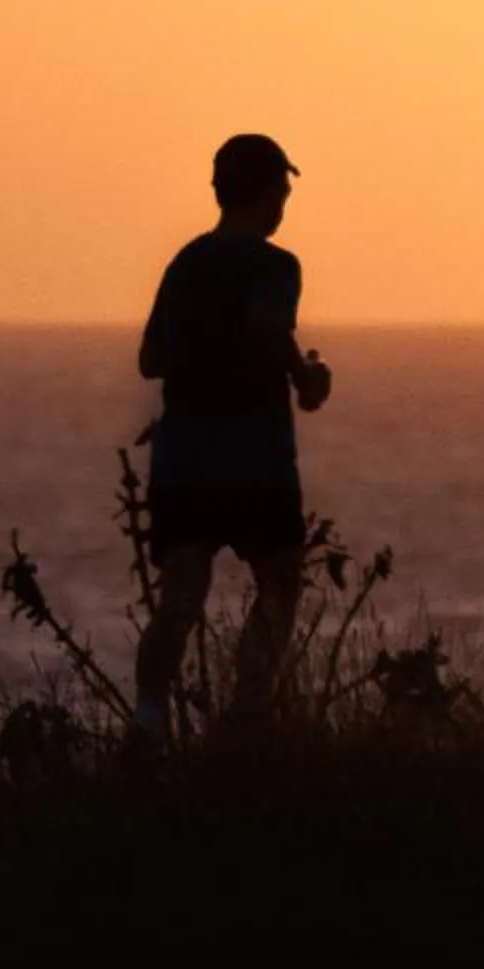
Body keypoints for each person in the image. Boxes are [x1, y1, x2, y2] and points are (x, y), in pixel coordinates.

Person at [129, 133, 333, 743]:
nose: (285, 203)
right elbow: (268, 324)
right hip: (255, 460)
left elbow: (150, 359)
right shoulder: (275, 265)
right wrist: (305, 376)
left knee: (181, 597)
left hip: (182, 461)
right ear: (268, 192)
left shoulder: (185, 263)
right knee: (279, 582)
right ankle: (245, 723)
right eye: (284, 191)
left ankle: (147, 723)